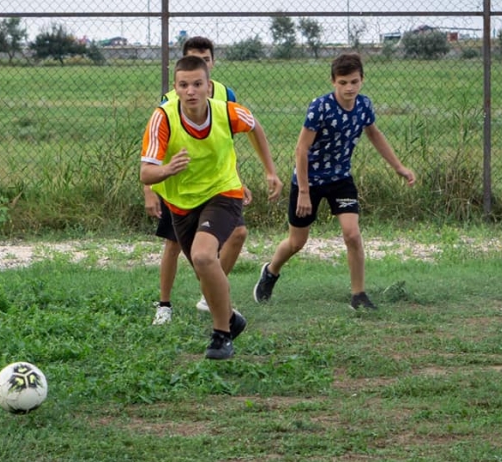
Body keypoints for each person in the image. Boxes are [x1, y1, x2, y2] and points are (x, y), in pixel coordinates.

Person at [140, 55, 283, 359]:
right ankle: (232, 319)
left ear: (209, 86)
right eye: (183, 85)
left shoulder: (227, 112)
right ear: (175, 89)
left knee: (204, 256)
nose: (190, 90)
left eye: (197, 84)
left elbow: (255, 127)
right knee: (204, 273)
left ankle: (221, 335)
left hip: (223, 192)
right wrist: (167, 170)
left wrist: (270, 170)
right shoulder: (162, 118)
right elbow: (146, 173)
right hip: (181, 204)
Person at [253, 52, 416, 310]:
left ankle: (358, 295)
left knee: (352, 234)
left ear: (362, 79)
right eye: (343, 82)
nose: (349, 88)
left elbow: (374, 134)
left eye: (354, 81)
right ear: (333, 82)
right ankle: (271, 272)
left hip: (340, 178)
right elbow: (301, 150)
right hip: (309, 180)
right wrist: (304, 192)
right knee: (297, 242)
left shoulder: (364, 106)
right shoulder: (320, 107)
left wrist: (399, 167)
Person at [145, 36, 249, 325]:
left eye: (204, 60)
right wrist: (149, 189)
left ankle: (212, 295)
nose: (191, 87)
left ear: (211, 64)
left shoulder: (226, 95)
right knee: (173, 243)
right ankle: (164, 304)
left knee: (238, 235)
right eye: (194, 59)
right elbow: (153, 151)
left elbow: (224, 142)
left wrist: (237, 179)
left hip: (217, 184)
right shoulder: (170, 102)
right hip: (180, 186)